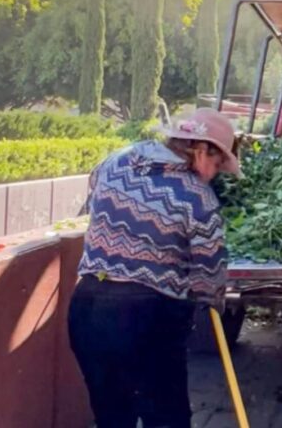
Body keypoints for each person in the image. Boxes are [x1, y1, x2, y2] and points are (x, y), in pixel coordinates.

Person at [68, 108, 239, 428]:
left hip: (87, 309)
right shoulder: (197, 197)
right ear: (201, 150)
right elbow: (210, 269)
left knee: (112, 415)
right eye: (216, 164)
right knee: (166, 416)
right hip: (146, 315)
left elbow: (94, 197)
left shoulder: (117, 160)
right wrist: (213, 299)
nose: (215, 174)